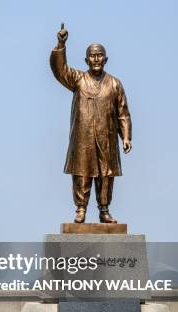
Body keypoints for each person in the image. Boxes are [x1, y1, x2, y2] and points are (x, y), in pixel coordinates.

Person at [50, 23, 132, 224]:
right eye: (92, 56)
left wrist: (126, 136)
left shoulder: (114, 83)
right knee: (82, 174)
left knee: (105, 176)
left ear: (106, 59)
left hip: (107, 137)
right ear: (86, 60)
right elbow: (59, 69)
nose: (96, 59)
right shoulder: (78, 79)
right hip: (83, 137)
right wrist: (61, 44)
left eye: (100, 55)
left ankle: (104, 209)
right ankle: (81, 208)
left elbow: (123, 113)